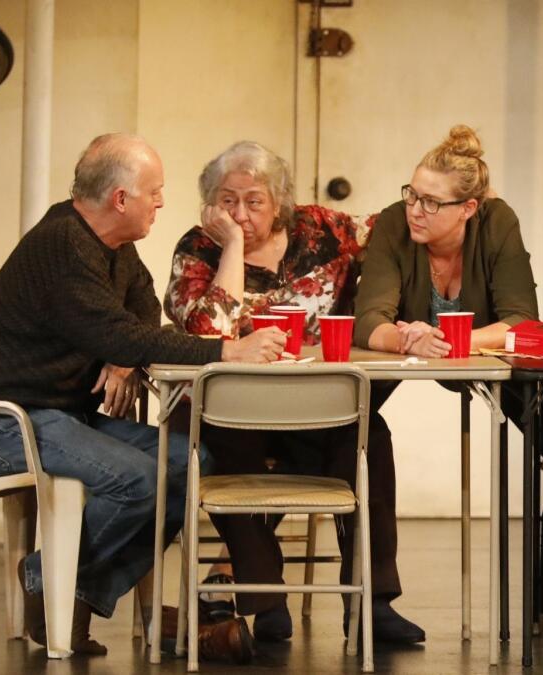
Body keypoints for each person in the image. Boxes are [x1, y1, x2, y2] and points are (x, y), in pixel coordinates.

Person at [0, 134, 286, 659]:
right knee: (138, 478)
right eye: (155, 192)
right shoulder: (63, 245)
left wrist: (122, 354)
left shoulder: (112, 246)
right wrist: (227, 351)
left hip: (60, 416)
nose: (162, 202)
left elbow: (139, 307)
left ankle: (62, 586)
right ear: (120, 199)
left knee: (187, 461)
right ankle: (52, 586)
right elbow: (116, 328)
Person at [164, 141, 426, 647]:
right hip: (229, 409)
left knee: (369, 437)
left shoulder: (322, 229)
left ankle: (373, 603)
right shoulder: (198, 249)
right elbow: (207, 327)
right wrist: (234, 249)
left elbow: (396, 223)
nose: (239, 213)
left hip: (313, 405)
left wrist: (464, 203)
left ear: (280, 201)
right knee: (220, 453)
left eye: (254, 201)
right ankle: (265, 599)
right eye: (227, 200)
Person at [354, 124, 538, 357]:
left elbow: (521, 321)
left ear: (467, 208)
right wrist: (409, 342)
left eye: (431, 202)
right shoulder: (394, 222)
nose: (415, 211)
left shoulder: (497, 222)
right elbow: (368, 320)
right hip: (407, 377)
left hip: (484, 375)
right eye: (412, 195)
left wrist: (444, 340)